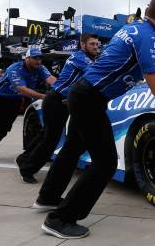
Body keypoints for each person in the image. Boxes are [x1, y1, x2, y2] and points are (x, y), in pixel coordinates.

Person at [37, 0, 155, 239]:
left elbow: (146, 67)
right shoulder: (148, 37)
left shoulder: (132, 28)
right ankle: (60, 219)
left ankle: (47, 197)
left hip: (83, 94)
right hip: (88, 99)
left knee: (72, 148)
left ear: (148, 10)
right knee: (105, 164)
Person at [16, 34, 100, 184]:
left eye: (97, 44)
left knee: (46, 135)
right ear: (83, 45)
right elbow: (98, 73)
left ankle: (23, 158)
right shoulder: (79, 57)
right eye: (92, 44)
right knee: (51, 140)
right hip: (55, 100)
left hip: (66, 101)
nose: (96, 47)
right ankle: (27, 169)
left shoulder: (91, 58)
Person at [0, 48, 56, 162]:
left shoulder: (40, 68)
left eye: (40, 58)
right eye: (35, 58)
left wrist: (65, 88)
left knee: (5, 129)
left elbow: (51, 79)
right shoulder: (14, 68)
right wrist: (44, 96)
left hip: (14, 99)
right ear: (27, 59)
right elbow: (22, 89)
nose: (38, 61)